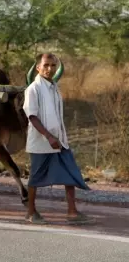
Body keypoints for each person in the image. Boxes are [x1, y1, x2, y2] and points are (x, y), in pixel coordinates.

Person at [22, 52, 92, 225]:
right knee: (36, 178)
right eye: (46, 65)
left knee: (70, 173)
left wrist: (57, 137)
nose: (50, 69)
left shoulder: (54, 88)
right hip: (41, 142)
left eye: (53, 65)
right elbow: (32, 116)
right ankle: (31, 212)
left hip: (60, 141)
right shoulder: (33, 89)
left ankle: (72, 212)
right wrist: (48, 136)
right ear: (38, 67)